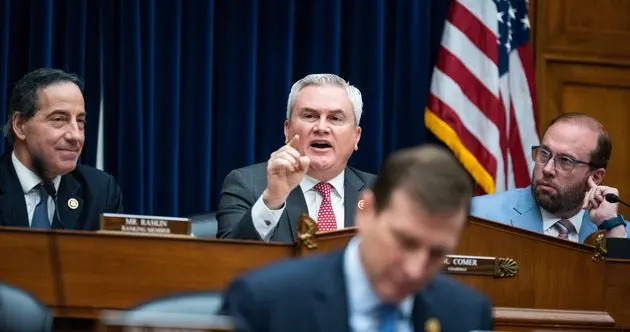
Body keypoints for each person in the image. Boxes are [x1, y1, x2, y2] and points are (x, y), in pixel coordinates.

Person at [222, 145, 493, 332]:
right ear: (367, 212)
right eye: (404, 242)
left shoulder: (467, 313)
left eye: (436, 253)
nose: (414, 270)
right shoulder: (267, 302)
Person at [217, 73, 375, 242]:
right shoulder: (247, 185)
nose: (321, 127)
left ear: (356, 136)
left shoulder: (381, 192)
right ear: (287, 130)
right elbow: (229, 257)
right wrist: (272, 199)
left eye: (335, 118)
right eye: (310, 116)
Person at [471, 113, 628, 243]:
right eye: (544, 153)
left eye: (566, 161)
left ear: (595, 176)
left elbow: (618, 279)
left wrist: (611, 228)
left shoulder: (619, 234)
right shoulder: (478, 216)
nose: (547, 169)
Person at [0, 68, 122, 230]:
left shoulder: (101, 192)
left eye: (80, 122)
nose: (76, 136)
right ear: (20, 126)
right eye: (58, 119)